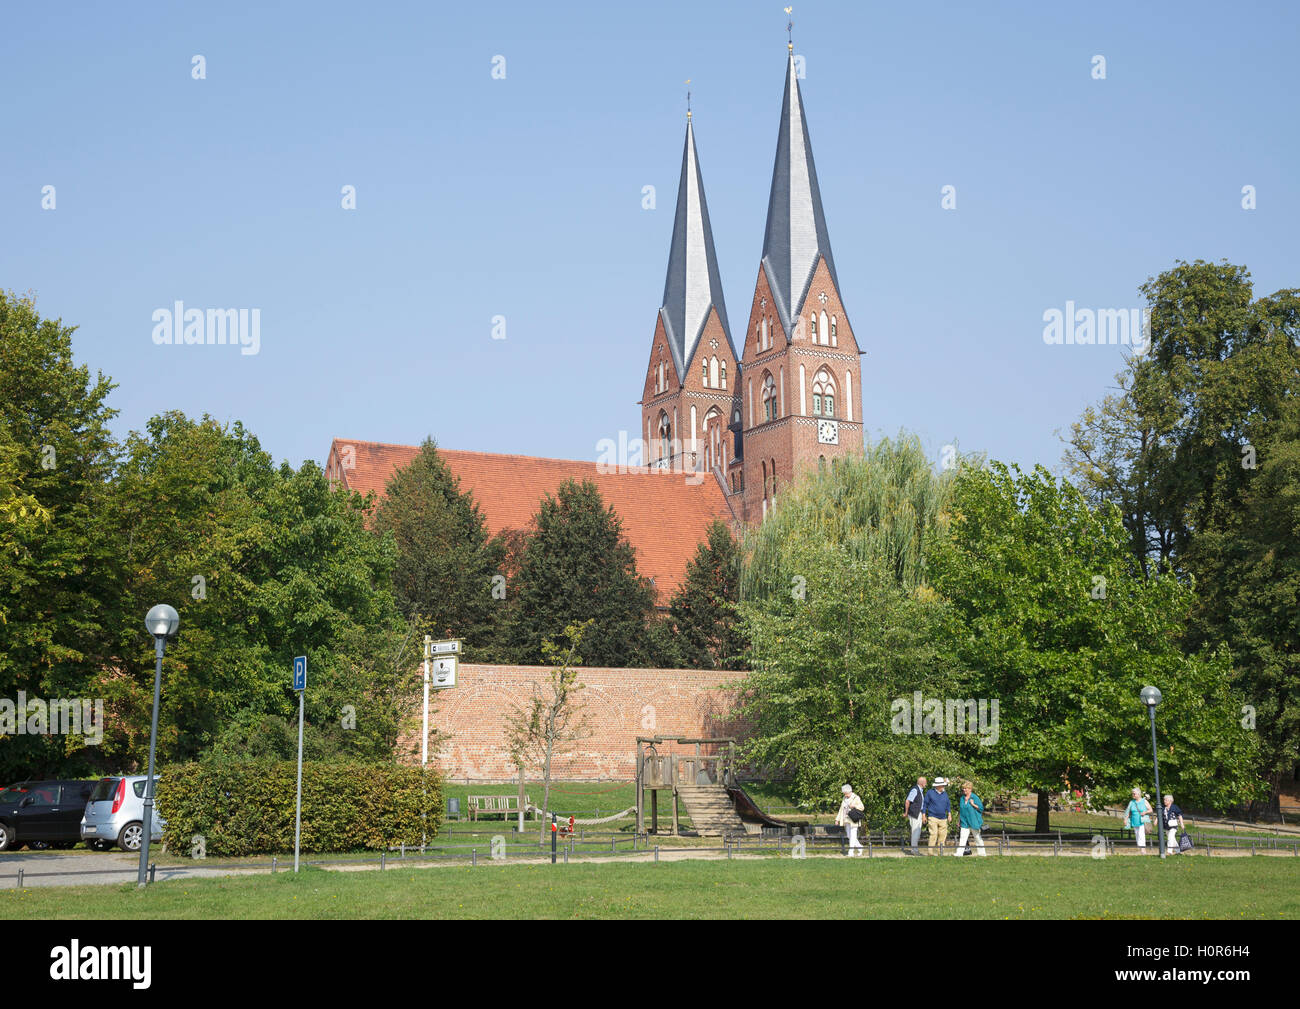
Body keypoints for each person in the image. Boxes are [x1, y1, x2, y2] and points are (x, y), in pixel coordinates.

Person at [954, 781, 986, 856]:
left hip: (973, 821)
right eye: (963, 788)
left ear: (970, 789)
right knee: (962, 838)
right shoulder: (962, 798)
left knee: (977, 837)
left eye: (966, 788)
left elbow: (981, 808)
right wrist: (959, 820)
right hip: (964, 821)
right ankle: (959, 853)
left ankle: (982, 853)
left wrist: (973, 804)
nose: (964, 790)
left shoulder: (974, 797)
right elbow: (961, 810)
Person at [835, 783, 865, 856]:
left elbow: (862, 807)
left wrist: (854, 806)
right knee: (849, 836)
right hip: (846, 819)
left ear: (849, 791)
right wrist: (837, 819)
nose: (845, 795)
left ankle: (850, 852)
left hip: (854, 819)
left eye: (846, 793)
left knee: (853, 836)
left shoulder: (856, 797)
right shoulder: (844, 798)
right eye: (844, 793)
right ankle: (860, 847)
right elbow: (841, 809)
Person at [924, 777, 951, 854]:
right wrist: (923, 815)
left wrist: (949, 814)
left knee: (942, 836)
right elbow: (925, 804)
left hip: (943, 818)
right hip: (932, 817)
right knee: (934, 834)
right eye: (942, 785)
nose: (943, 786)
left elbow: (948, 804)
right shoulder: (930, 792)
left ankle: (940, 852)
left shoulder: (945, 793)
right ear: (937, 786)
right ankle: (930, 852)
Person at [903, 776, 927, 854]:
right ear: (922, 783)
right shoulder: (915, 790)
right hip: (914, 813)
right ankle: (914, 850)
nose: (926, 784)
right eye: (925, 782)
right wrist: (906, 812)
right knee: (915, 831)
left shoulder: (920, 790)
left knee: (917, 831)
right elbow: (907, 801)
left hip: (918, 813)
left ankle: (914, 849)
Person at [1126, 787, 1152, 853]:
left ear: (1139, 794)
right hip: (1134, 820)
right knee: (1137, 834)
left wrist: (1145, 812)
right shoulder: (1131, 802)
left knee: (1141, 834)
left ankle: (1143, 849)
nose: (1133, 795)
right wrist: (1126, 819)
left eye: (1134, 794)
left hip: (1142, 820)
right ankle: (1141, 848)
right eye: (1132, 794)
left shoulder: (1144, 801)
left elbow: (1151, 810)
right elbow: (1128, 811)